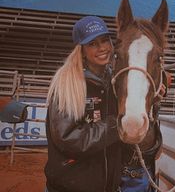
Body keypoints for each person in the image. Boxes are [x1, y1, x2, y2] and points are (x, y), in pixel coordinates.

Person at [44, 16, 122, 192]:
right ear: (82, 50)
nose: (102, 48)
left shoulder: (116, 81)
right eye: (92, 44)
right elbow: (69, 138)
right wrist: (116, 125)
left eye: (104, 41)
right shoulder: (66, 83)